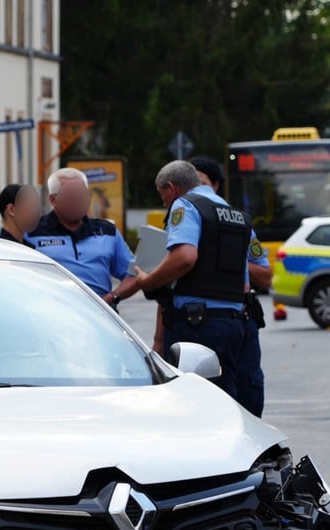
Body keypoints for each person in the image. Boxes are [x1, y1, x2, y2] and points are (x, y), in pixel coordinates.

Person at [134, 160, 249, 402]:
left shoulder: (185, 206)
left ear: (171, 188)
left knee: (189, 399)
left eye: (162, 195)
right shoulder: (235, 215)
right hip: (233, 322)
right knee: (225, 397)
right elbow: (245, 283)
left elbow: (185, 257)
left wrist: (148, 281)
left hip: (196, 324)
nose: (164, 203)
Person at [190, 155, 270, 416]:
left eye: (201, 183)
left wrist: (230, 259)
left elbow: (265, 274)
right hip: (201, 316)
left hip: (241, 317)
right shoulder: (185, 218)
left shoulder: (237, 223)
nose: (196, 191)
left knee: (249, 391)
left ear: (215, 186)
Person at [26, 167, 139, 309]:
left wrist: (111, 298)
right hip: (51, 316)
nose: (78, 200)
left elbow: (134, 275)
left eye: (82, 195)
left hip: (100, 317)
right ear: (53, 200)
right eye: (71, 196)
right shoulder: (32, 232)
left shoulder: (107, 231)